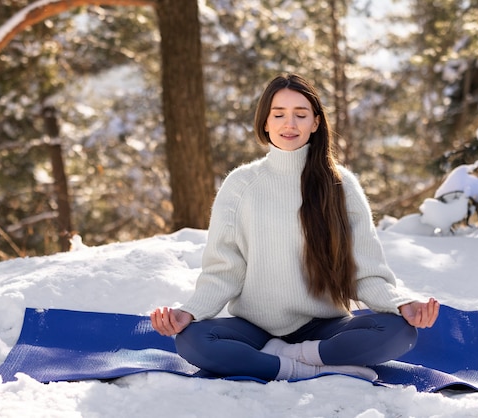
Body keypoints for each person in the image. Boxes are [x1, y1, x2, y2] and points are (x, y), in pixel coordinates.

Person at [151, 73, 439, 382]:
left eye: (300, 115)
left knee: (398, 332)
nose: (290, 124)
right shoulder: (240, 185)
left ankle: (294, 358)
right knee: (193, 341)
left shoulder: (341, 185)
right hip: (255, 328)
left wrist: (400, 304)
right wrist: (191, 311)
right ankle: (302, 368)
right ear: (265, 123)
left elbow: (365, 271)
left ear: (315, 123)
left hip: (324, 327)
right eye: (279, 115)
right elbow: (224, 269)